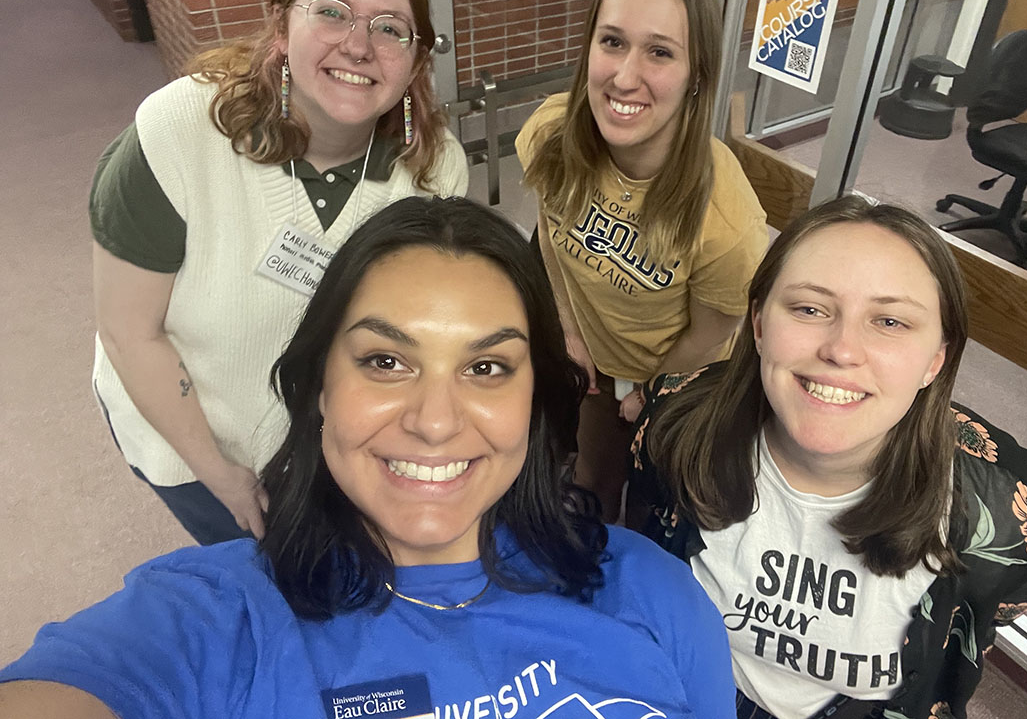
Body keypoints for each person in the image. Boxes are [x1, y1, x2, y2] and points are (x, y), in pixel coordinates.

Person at [0, 196, 733, 719]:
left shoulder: (651, 592)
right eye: (386, 361)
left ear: (536, 402)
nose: (435, 422)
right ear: (320, 384)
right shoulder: (212, 623)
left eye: (486, 369)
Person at [89, 0, 469, 545]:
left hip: (325, 437)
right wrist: (221, 475)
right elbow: (130, 332)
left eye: (391, 28)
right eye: (332, 12)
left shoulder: (434, 169)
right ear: (281, 24)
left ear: (416, 59)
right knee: (254, 567)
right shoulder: (180, 131)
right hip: (191, 434)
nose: (359, 45)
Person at [629, 196, 1027, 719]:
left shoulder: (1005, 516)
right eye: (810, 309)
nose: (842, 350)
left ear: (935, 361)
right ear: (760, 325)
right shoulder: (675, 430)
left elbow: (994, 608)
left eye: (890, 322)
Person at [516, 0, 769, 521]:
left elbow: (708, 338)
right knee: (593, 488)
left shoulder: (726, 223)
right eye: (612, 42)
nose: (625, 77)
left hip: (685, 379)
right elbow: (551, 235)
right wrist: (572, 334)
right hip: (599, 361)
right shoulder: (551, 135)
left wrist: (647, 391)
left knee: (667, 510)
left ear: (697, 72)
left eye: (659, 52)